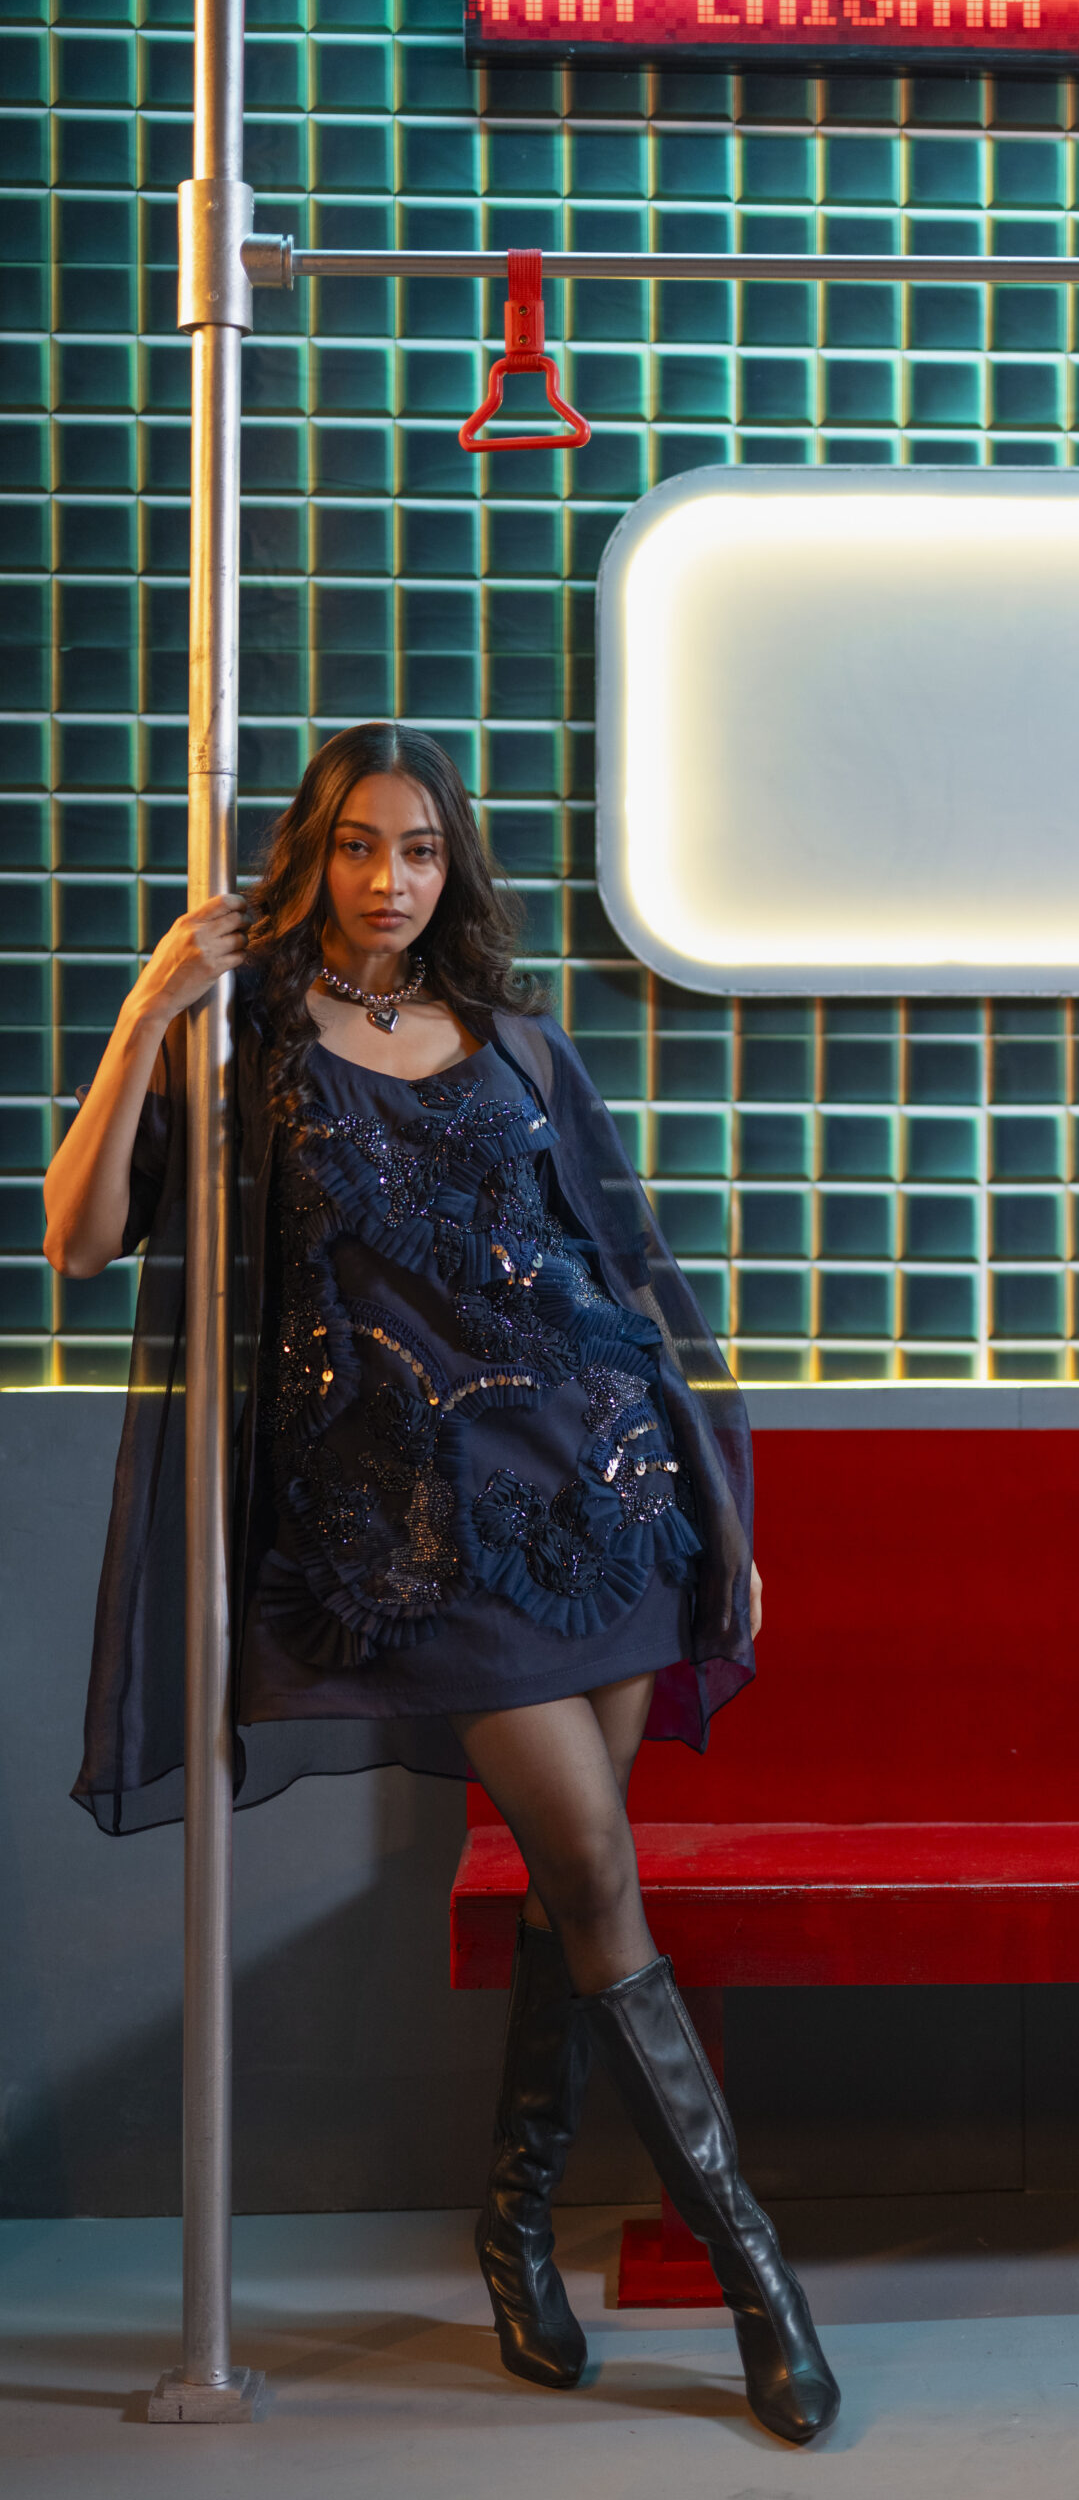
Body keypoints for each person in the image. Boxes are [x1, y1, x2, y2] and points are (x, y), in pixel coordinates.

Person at [42, 720, 839, 2447]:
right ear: (311, 857)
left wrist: (717, 1510)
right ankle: (761, 2287)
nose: (388, 880)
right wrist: (150, 1005)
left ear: (451, 865)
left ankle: (513, 2238)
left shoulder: (517, 1041)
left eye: (417, 850)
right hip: (421, 1526)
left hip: (603, 1493)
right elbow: (79, 1236)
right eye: (355, 846)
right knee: (596, 1866)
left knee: (572, 1882)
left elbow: (631, 1281)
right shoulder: (247, 1040)